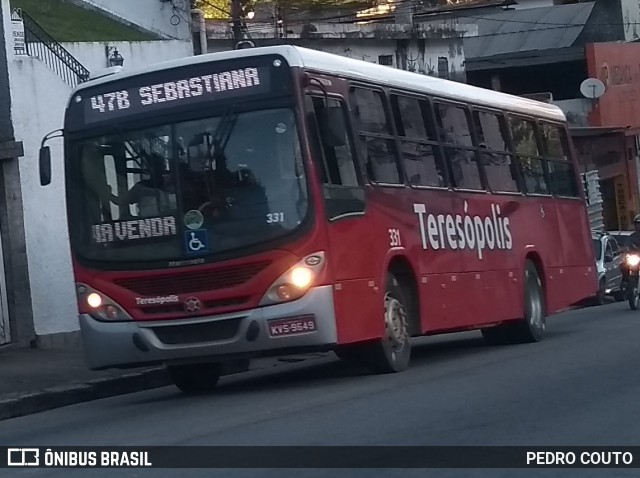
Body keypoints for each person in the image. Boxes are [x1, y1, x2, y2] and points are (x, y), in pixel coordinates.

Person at [619, 215, 640, 287]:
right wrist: (622, 249)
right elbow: (626, 245)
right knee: (624, 265)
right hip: (636, 258)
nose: (639, 226)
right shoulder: (632, 236)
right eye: (638, 224)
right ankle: (625, 282)